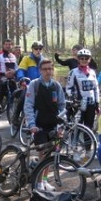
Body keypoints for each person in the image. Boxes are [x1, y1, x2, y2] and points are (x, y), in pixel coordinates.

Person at [24, 59, 66, 191]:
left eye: (50, 68)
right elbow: (28, 105)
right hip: (39, 126)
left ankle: (45, 180)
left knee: (51, 156)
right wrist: (31, 124)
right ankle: (39, 183)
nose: (48, 71)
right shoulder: (34, 85)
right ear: (40, 71)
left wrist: (62, 124)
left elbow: (62, 106)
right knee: (43, 154)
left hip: (54, 127)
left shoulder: (56, 86)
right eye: (45, 69)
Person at [66, 48, 100, 131]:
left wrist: (97, 102)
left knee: (89, 127)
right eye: (82, 58)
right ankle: (75, 143)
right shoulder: (73, 72)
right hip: (79, 103)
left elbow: (96, 88)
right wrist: (73, 99)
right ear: (78, 59)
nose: (84, 60)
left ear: (90, 59)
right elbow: (68, 87)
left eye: (86, 58)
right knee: (77, 126)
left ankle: (87, 144)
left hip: (91, 103)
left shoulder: (92, 72)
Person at [14, 41, 45, 125]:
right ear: (32, 49)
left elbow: (50, 72)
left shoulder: (44, 60)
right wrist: (22, 80)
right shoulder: (26, 59)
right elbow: (20, 70)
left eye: (40, 49)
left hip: (41, 85)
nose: (38, 50)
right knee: (24, 97)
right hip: (29, 84)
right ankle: (15, 116)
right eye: (36, 49)